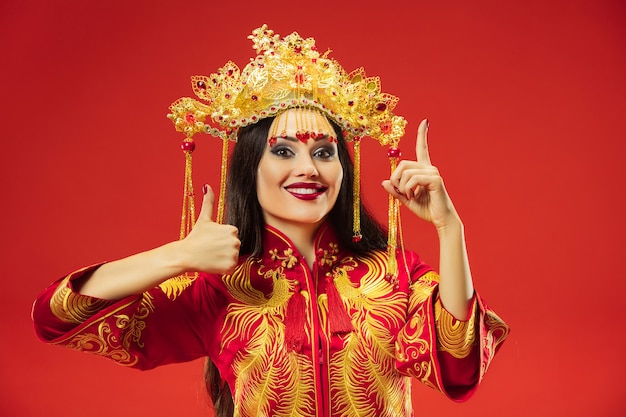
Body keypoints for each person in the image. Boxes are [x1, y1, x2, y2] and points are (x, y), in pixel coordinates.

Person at [32, 24, 509, 417]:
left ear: (345, 169)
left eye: (324, 153)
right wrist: (178, 256)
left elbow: (460, 366)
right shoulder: (218, 289)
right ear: (249, 168)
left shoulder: (393, 273)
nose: (308, 169)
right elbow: (56, 316)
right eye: (283, 151)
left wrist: (450, 230)